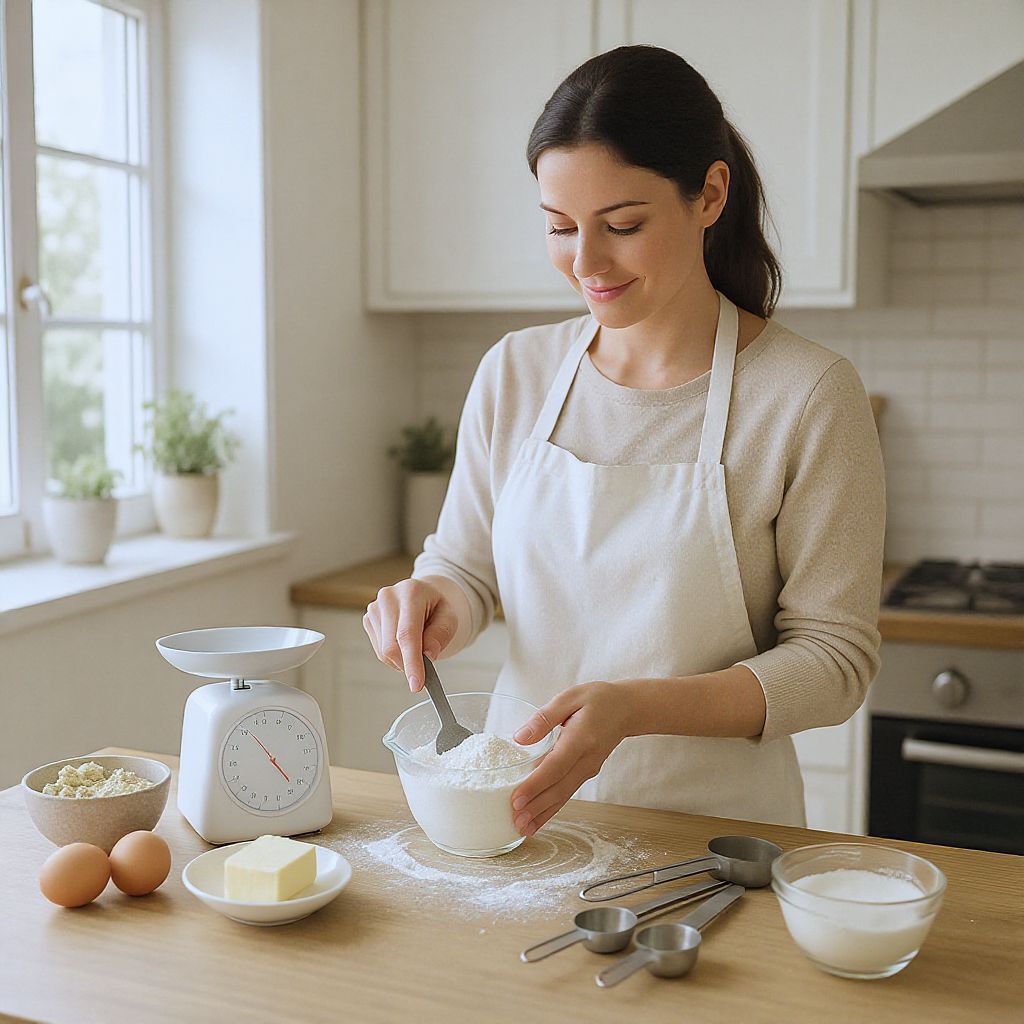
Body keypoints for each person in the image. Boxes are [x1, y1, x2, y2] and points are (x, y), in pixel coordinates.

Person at [363, 45, 885, 836]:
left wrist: (634, 708)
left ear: (709, 194)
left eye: (623, 225)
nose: (587, 263)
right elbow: (465, 567)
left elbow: (834, 663)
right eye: (560, 227)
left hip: (714, 841)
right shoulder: (517, 371)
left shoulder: (806, 394)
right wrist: (431, 602)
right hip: (521, 818)